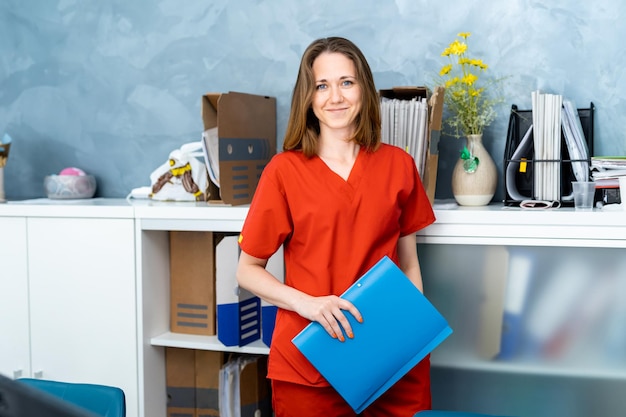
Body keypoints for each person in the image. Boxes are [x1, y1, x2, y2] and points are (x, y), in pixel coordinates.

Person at [236, 36, 435, 417]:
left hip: (390, 357)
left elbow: (409, 264)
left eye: (347, 82)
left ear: (364, 89)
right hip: (311, 362)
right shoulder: (283, 171)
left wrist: (406, 335)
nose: (335, 97)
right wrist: (308, 305)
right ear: (308, 98)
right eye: (322, 86)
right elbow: (247, 270)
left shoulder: (398, 165)